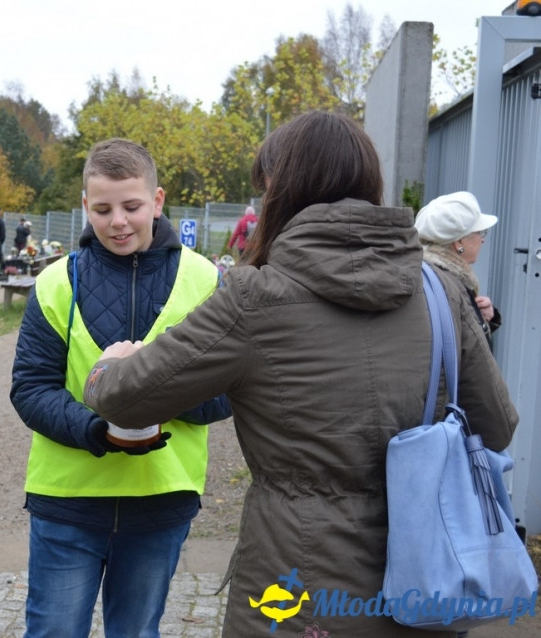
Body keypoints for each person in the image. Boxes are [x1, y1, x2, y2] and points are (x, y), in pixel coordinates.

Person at [80, 112, 518, 637]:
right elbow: (496, 427)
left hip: (299, 595)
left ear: (282, 192)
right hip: (430, 581)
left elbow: (126, 400)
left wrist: (108, 366)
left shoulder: (254, 299)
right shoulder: (440, 290)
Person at [10, 137, 232, 637]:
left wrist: (155, 396)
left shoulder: (205, 281)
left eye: (132, 206)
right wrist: (97, 429)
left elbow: (231, 387)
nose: (118, 222)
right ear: (86, 206)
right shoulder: (55, 283)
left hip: (161, 498)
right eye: (103, 209)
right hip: (67, 497)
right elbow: (30, 388)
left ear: (156, 201)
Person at [414, 191, 501, 346]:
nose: (482, 240)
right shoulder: (451, 286)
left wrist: (481, 317)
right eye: (480, 233)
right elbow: (471, 357)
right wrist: (479, 322)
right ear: (459, 242)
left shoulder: (429, 274)